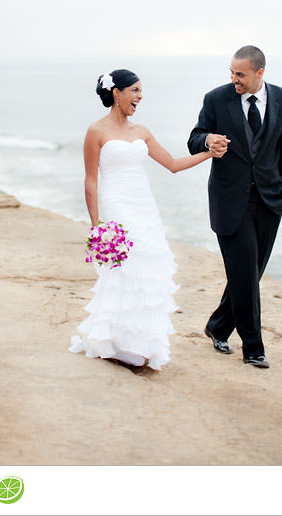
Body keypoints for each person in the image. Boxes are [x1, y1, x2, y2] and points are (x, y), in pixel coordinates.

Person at [70, 69, 219, 370]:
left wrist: (209, 152)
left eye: (141, 91)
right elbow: (90, 180)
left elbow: (174, 164)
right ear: (117, 93)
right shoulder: (95, 131)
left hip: (144, 204)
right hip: (116, 205)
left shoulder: (142, 131)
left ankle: (137, 344)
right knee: (126, 269)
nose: (140, 96)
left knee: (148, 269)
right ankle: (116, 342)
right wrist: (96, 223)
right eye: (135, 90)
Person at [188, 46, 282, 369]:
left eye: (240, 74)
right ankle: (254, 347)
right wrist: (208, 141)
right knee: (245, 273)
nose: (233, 79)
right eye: (232, 72)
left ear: (259, 73)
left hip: (269, 199)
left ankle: (218, 326)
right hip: (230, 200)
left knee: (250, 273)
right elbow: (194, 138)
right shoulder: (216, 99)